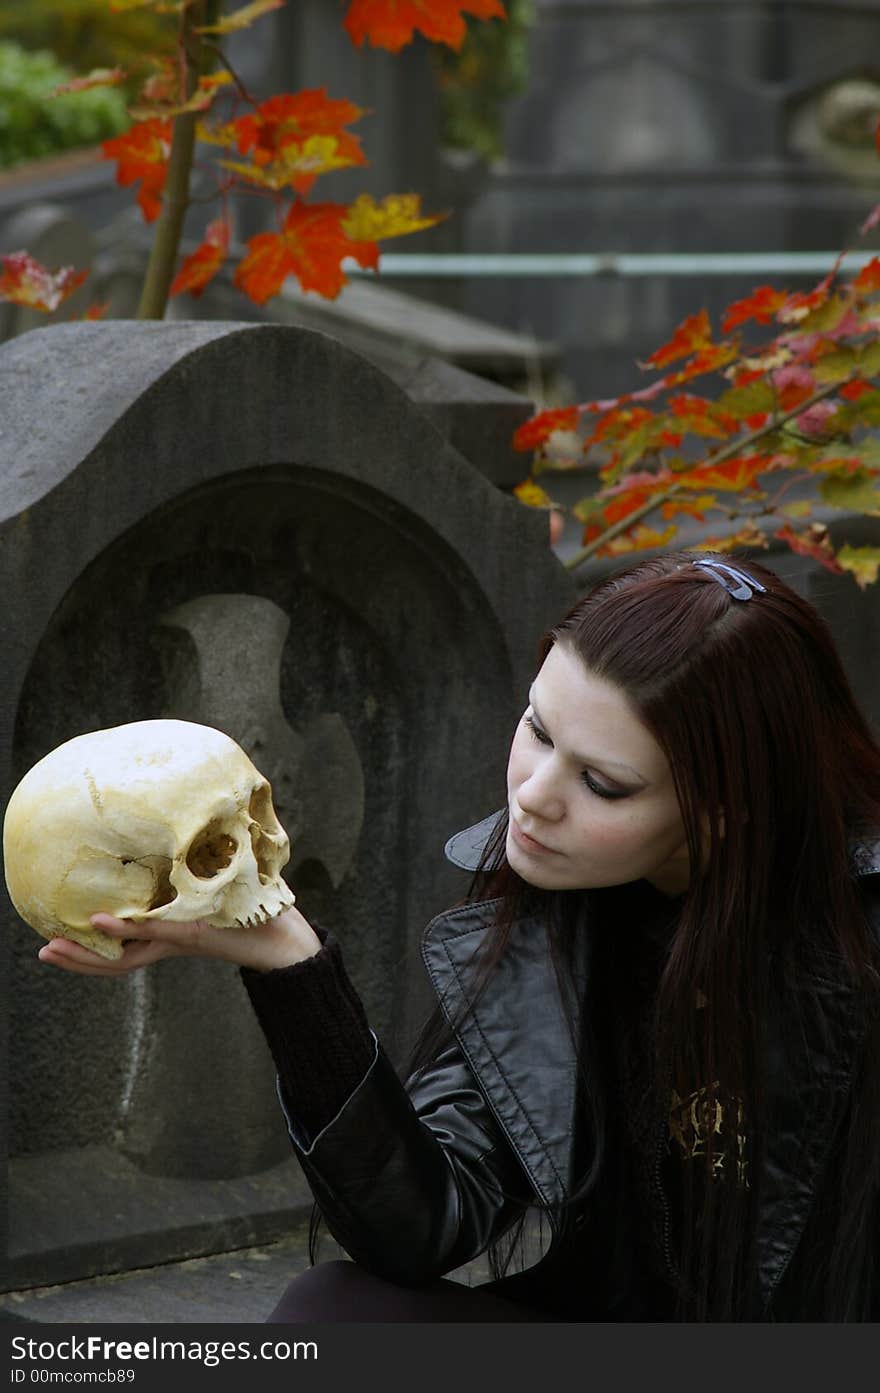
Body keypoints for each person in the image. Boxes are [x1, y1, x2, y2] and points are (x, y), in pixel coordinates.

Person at [38, 552, 880, 1322]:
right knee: (334, 1318)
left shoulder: (855, 951)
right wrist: (284, 954)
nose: (535, 797)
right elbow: (421, 1223)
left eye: (604, 783)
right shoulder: (562, 904)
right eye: (539, 729)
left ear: (726, 808)